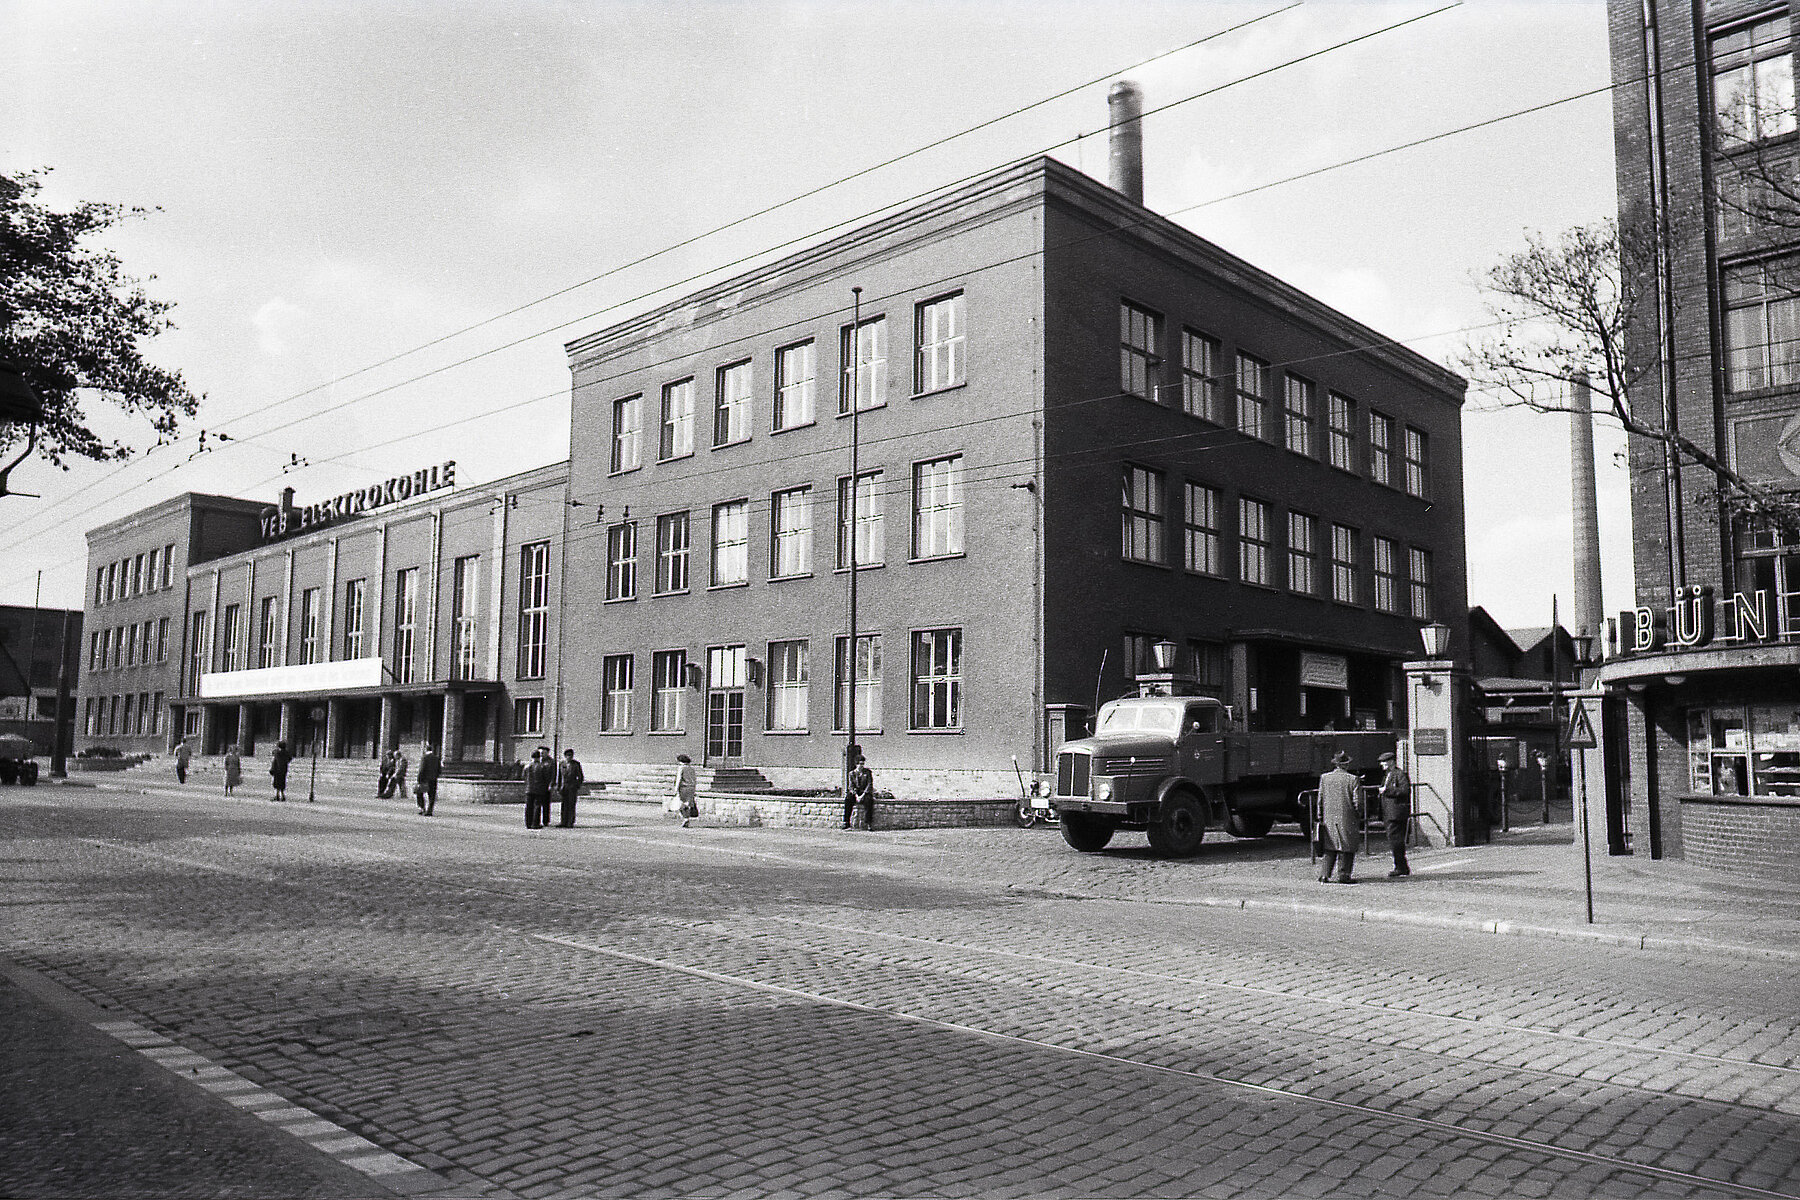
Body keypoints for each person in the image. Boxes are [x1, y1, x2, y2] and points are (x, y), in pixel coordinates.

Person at [1315, 749, 1362, 884]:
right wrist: (1359, 814)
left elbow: (1320, 799)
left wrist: (1320, 816)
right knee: (1347, 846)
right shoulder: (1353, 779)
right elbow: (1357, 802)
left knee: (1330, 846)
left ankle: (1324, 875)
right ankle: (1344, 874)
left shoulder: (1325, 778)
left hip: (1329, 818)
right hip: (1347, 818)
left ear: (1335, 764)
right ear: (1346, 765)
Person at [1376, 751, 1412, 878]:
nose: (1382, 764)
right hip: (1389, 812)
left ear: (1391, 762)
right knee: (1395, 840)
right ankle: (1402, 866)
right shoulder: (1388, 774)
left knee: (1395, 841)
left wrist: (1387, 791)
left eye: (1384, 762)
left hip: (1396, 813)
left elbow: (1405, 790)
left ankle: (1400, 867)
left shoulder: (1399, 774)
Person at [523, 746, 555, 829]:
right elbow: (545, 778)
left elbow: (523, 776)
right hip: (539, 789)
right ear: (538, 757)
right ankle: (535, 823)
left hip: (529, 788)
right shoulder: (541, 767)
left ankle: (528, 823)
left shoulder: (527, 766)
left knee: (528, 806)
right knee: (537, 806)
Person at [843, 747, 874, 830]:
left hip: (864, 793)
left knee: (869, 801)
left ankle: (868, 823)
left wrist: (863, 795)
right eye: (860, 764)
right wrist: (856, 795)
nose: (861, 766)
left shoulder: (867, 772)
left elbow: (869, 784)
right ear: (856, 764)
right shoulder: (852, 774)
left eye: (862, 764)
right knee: (848, 799)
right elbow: (851, 786)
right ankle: (846, 822)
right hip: (855, 793)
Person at [555, 748, 585, 828]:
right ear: (565, 756)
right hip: (564, 787)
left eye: (571, 756)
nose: (569, 757)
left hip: (572, 787)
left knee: (571, 804)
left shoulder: (576, 764)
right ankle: (563, 821)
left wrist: (577, 785)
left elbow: (580, 776)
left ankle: (570, 822)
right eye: (568, 756)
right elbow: (559, 776)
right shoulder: (562, 764)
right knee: (564, 805)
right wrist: (558, 787)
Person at [416, 743, 441, 816]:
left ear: (425, 750)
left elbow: (422, 769)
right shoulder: (436, 758)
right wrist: (435, 776)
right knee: (432, 795)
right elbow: (439, 770)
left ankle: (422, 808)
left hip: (424, 780)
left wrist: (419, 779)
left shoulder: (424, 758)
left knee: (419, 793)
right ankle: (429, 811)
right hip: (433, 780)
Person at [675, 754, 698, 827]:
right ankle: (686, 819)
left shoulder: (681, 768)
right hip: (691, 787)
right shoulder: (692, 769)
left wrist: (676, 789)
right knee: (688, 804)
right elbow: (694, 779)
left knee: (680, 804)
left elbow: (679, 779)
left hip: (683, 787)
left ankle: (686, 818)